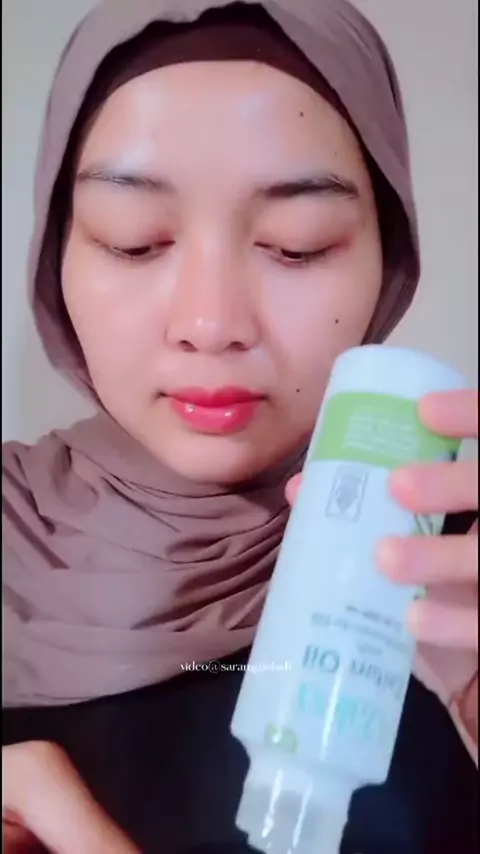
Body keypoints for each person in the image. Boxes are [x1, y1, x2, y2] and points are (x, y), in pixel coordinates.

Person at [2, 1, 477, 852]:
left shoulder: (455, 569)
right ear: (55, 255)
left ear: (388, 262)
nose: (211, 323)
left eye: (297, 244)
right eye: (134, 241)